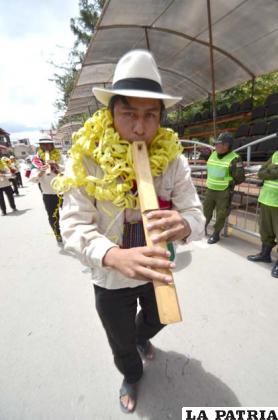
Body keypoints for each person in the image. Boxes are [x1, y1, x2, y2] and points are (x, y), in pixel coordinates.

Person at [53, 49, 205, 413]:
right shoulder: (85, 157)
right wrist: (113, 255)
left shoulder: (174, 158)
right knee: (119, 340)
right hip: (109, 278)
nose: (140, 127)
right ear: (111, 113)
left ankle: (142, 336)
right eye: (129, 114)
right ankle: (131, 374)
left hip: (157, 270)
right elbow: (72, 225)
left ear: (161, 118)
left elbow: (196, 215)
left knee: (158, 320)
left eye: (150, 116)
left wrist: (184, 224)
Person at [203, 132, 245, 244]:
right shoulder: (213, 154)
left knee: (221, 214)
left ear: (226, 145)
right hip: (210, 189)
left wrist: (230, 181)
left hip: (224, 191)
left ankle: (216, 234)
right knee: (205, 211)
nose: (215, 146)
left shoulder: (235, 158)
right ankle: (202, 229)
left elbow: (240, 178)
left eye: (218, 144)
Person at [247, 150, 278, 278]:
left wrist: (269, 171)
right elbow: (261, 172)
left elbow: (267, 172)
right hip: (266, 199)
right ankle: (265, 254)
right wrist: (272, 170)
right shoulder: (276, 153)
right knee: (266, 230)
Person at [29, 138, 63, 245]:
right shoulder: (36, 160)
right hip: (48, 194)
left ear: (52, 145)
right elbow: (32, 179)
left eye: (48, 145)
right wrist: (41, 172)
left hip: (64, 191)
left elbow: (69, 170)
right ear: (40, 146)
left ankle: (71, 233)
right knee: (53, 216)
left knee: (69, 213)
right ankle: (57, 234)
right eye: (43, 145)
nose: (46, 147)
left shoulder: (59, 156)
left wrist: (56, 166)